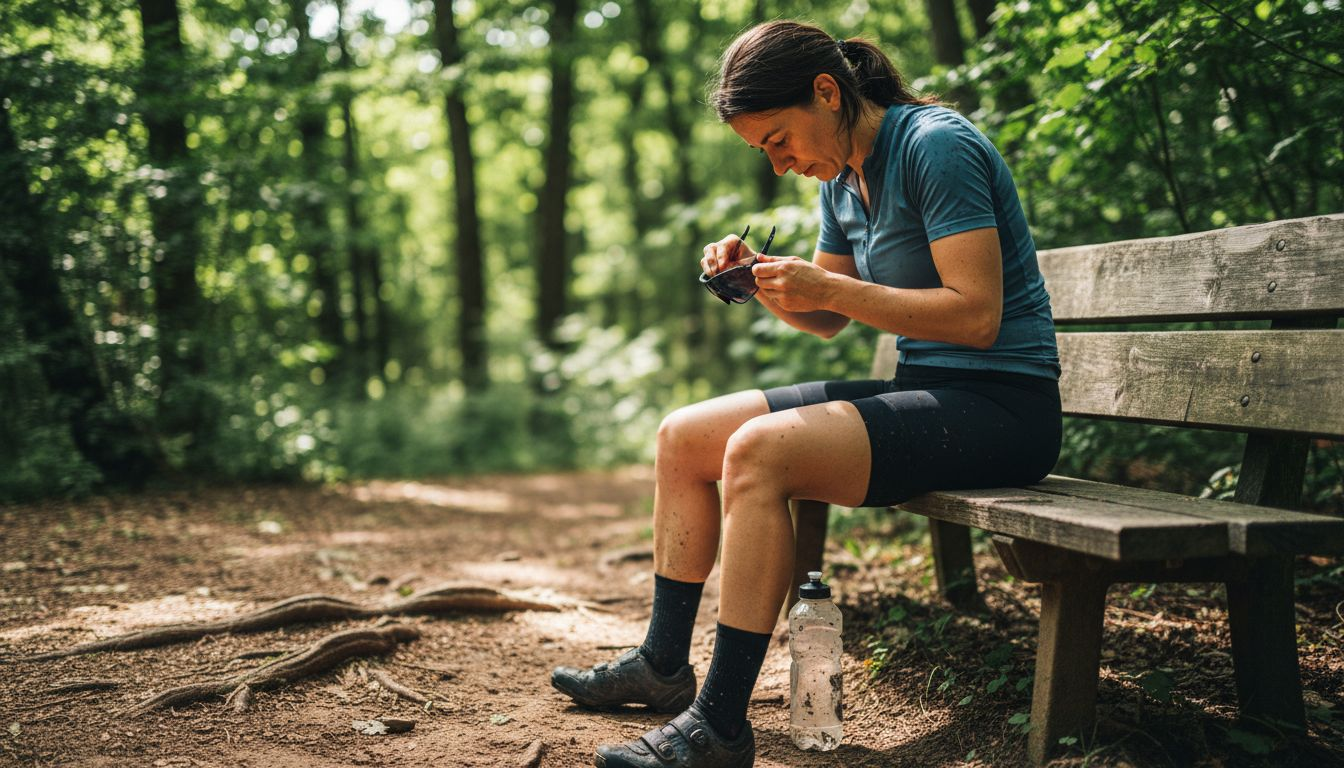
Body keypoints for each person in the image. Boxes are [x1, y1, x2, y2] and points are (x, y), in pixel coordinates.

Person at [551, 20, 1062, 768]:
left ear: (828, 92)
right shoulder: (841, 174)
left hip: (1004, 410)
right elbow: (825, 318)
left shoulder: (934, 146)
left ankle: (719, 726)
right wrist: (757, 279)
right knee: (683, 436)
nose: (780, 163)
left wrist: (829, 287)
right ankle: (662, 665)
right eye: (764, 150)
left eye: (779, 140)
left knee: (760, 451)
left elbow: (976, 316)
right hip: (930, 392)